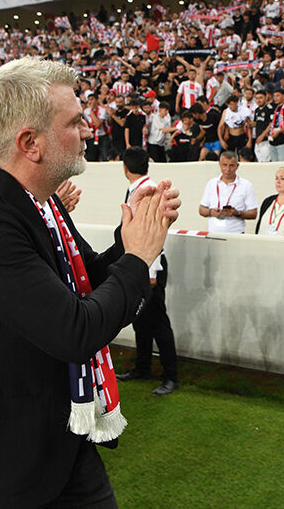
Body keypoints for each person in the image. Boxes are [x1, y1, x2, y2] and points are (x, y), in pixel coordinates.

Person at [0, 58, 180, 507]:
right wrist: (138, 257)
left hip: (57, 442)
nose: (87, 130)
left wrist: (132, 234)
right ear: (30, 143)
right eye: (74, 122)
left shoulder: (40, 204)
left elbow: (89, 279)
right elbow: (75, 330)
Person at [116, 148, 178, 396]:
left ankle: (170, 376)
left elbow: (154, 233)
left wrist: (150, 273)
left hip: (149, 265)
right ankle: (142, 367)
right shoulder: (141, 189)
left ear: (125, 168)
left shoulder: (147, 192)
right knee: (140, 320)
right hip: (141, 264)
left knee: (158, 322)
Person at [198, 150, 258, 234]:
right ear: (219, 164)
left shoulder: (246, 185)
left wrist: (237, 213)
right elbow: (201, 210)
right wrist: (211, 212)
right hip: (213, 234)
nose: (228, 169)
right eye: (224, 165)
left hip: (236, 234)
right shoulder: (212, 183)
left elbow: (253, 213)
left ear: (237, 166)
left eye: (231, 165)